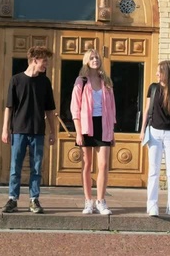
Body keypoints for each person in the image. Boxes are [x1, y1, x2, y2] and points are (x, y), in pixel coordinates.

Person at [1, 46, 56, 214]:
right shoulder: (16, 80)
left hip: (38, 131)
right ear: (34, 60)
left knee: (37, 167)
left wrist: (53, 131)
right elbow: (9, 107)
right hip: (18, 130)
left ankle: (34, 199)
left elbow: (50, 110)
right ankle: (12, 199)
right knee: (15, 166)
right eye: (44, 61)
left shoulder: (45, 82)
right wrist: (5, 130)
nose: (46, 64)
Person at [70, 49, 116, 215]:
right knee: (87, 165)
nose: (95, 59)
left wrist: (112, 132)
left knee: (103, 165)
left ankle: (101, 201)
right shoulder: (81, 81)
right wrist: (78, 132)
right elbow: (75, 108)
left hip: (103, 125)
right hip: (85, 126)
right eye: (92, 57)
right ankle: (88, 201)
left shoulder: (106, 81)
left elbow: (112, 108)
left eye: (97, 57)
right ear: (86, 61)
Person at [139, 60, 170, 217]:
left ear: (167, 73)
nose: (157, 74)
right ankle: (152, 205)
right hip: (154, 133)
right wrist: (142, 130)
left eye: (160, 71)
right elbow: (146, 110)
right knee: (154, 171)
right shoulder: (153, 88)